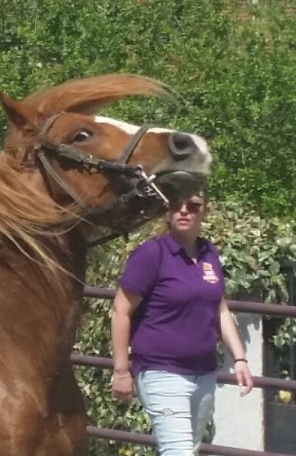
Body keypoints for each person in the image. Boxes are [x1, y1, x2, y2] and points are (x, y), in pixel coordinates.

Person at [110, 190, 254, 455]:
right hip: (161, 372)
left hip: (204, 374)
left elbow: (219, 307)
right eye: (176, 204)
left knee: (188, 449)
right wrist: (121, 372)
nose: (184, 210)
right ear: (167, 211)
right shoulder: (151, 254)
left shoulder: (209, 252)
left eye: (193, 205)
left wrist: (240, 358)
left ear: (205, 210)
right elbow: (121, 311)